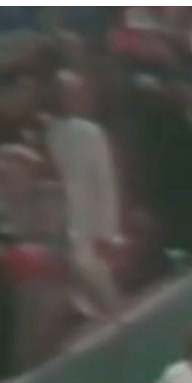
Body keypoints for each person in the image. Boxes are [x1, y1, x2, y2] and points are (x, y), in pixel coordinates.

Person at [44, 69, 125, 320]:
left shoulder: (87, 132)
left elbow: (104, 185)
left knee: (105, 302)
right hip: (66, 233)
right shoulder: (53, 134)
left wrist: (107, 232)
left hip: (89, 233)